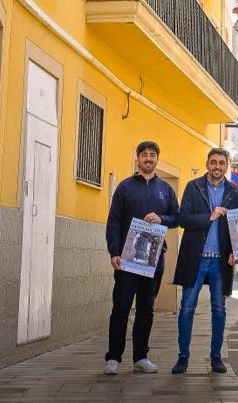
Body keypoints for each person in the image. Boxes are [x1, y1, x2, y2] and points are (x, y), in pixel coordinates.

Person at [104, 140, 179, 375]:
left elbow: (177, 217)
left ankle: (141, 357)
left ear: (157, 159)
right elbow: (114, 221)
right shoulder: (125, 187)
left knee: (146, 309)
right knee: (121, 308)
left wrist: (162, 219)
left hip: (153, 260)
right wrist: (114, 251)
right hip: (127, 259)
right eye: (144, 154)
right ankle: (113, 358)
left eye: (152, 155)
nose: (148, 158)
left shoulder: (166, 189)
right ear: (138, 159)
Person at [171, 147, 238, 374]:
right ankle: (183, 357)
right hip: (196, 258)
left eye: (221, 163)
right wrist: (209, 216)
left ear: (227, 165)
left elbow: (237, 227)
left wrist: (236, 251)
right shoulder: (194, 187)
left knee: (219, 309)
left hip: (220, 261)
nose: (217, 167)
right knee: (186, 308)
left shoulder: (234, 193)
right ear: (207, 164)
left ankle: (216, 357)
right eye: (213, 162)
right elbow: (183, 219)